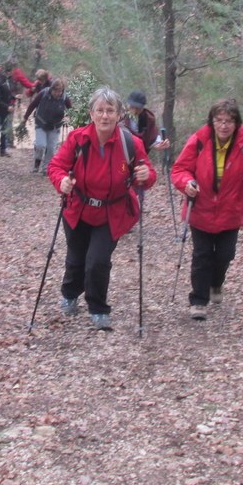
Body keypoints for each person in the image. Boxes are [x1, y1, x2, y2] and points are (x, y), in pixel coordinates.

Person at [48, 87, 157, 330]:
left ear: (119, 115)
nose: (105, 116)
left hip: (112, 212)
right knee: (76, 258)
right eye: (100, 110)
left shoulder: (131, 143)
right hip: (78, 208)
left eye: (110, 111)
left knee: (97, 260)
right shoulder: (77, 138)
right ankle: (69, 294)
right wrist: (62, 181)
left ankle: (98, 307)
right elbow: (56, 167)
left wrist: (145, 174)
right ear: (91, 113)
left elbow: (148, 178)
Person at [171, 98, 243, 321]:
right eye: (219, 120)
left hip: (231, 210)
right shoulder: (200, 139)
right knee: (202, 255)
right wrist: (186, 183)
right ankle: (198, 301)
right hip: (201, 208)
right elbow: (180, 169)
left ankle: (216, 283)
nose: (224, 125)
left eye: (229, 121)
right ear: (211, 122)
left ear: (237, 123)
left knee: (225, 255)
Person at [23, 77, 72, 173]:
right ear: (51, 89)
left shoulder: (65, 97)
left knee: (51, 149)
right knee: (41, 145)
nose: (58, 93)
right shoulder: (44, 93)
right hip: (41, 123)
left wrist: (68, 118)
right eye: (56, 91)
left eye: (60, 91)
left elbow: (70, 110)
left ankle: (45, 168)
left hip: (55, 126)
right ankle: (37, 163)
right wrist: (25, 118)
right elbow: (32, 105)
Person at [0, 58, 34, 148]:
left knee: (7, 122)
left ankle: (7, 143)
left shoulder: (16, 72)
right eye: (14, 68)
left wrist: (34, 86)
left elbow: (26, 83)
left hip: (10, 100)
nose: (15, 70)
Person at [122, 90, 170, 155]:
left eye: (138, 108)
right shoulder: (121, 117)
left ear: (143, 107)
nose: (135, 110)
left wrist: (160, 145)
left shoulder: (148, 119)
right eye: (132, 106)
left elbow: (151, 139)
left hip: (140, 157)